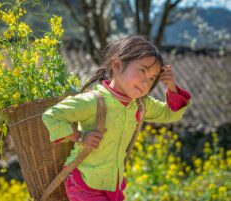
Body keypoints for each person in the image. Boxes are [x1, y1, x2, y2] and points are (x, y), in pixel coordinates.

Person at [42, 35, 192, 201]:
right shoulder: (94, 101)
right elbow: (52, 115)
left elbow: (170, 114)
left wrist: (170, 85)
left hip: (113, 186)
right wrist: (80, 136)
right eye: (142, 71)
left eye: (151, 78)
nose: (145, 82)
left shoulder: (141, 104)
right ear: (117, 65)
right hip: (84, 183)